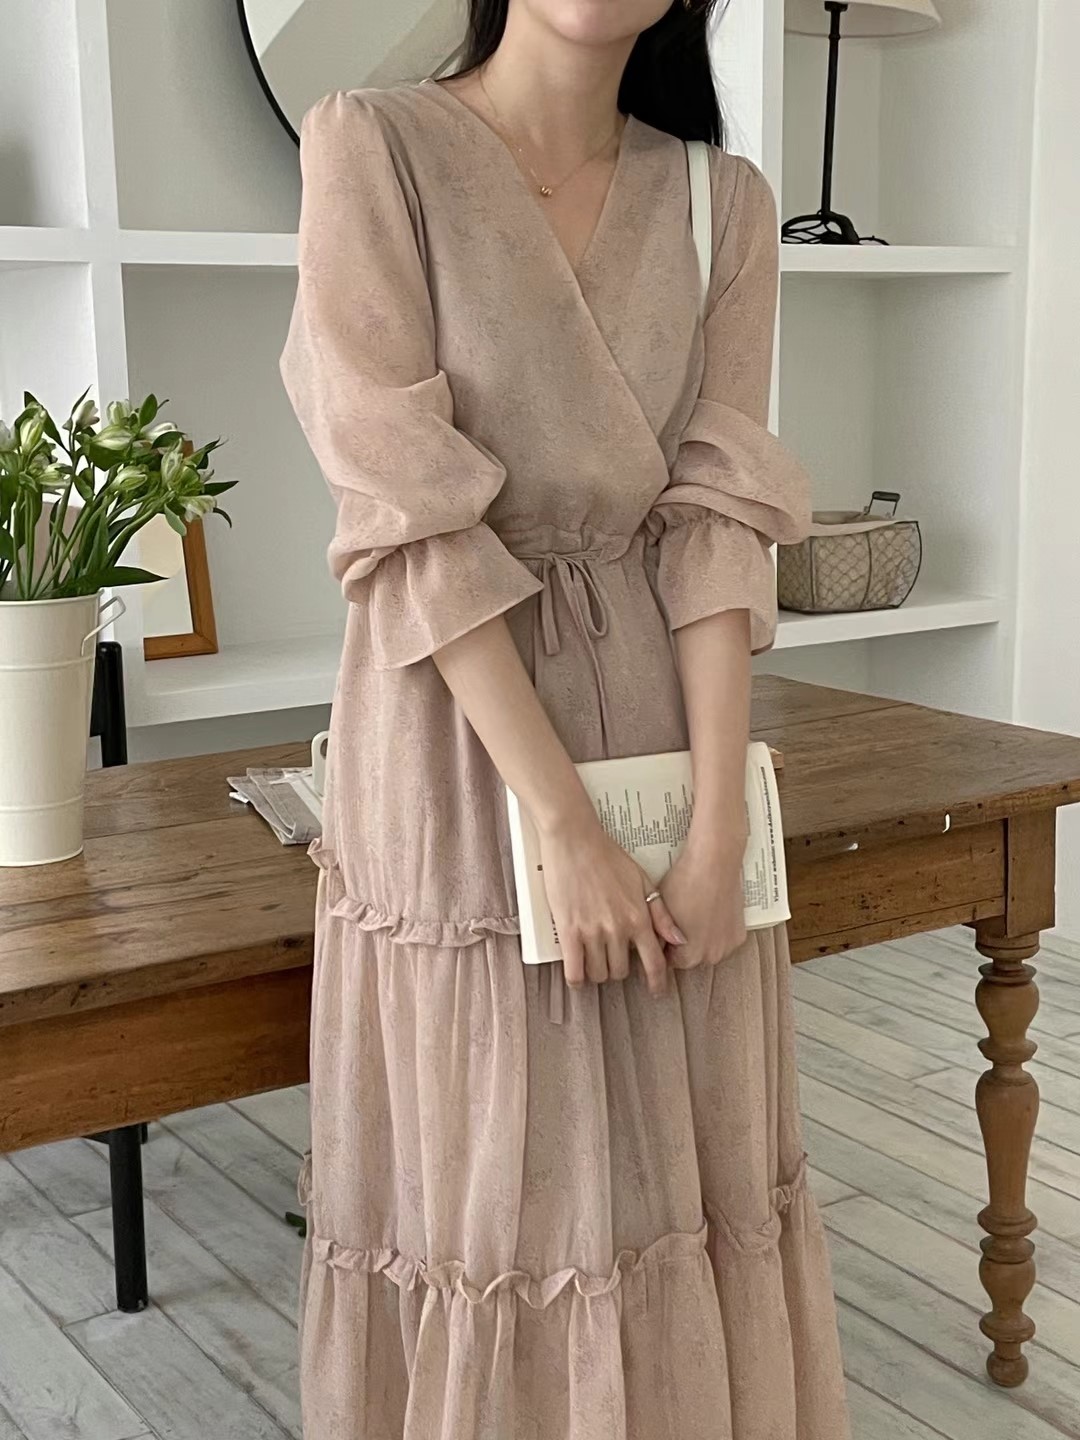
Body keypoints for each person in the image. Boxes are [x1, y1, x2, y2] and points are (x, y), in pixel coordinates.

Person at [279, 0, 850, 1434]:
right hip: (461, 736)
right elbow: (405, 510)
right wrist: (564, 824)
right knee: (490, 1188)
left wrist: (716, 828)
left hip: (665, 718)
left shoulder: (725, 204)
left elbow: (717, 523)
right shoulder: (375, 147)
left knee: (682, 1160)